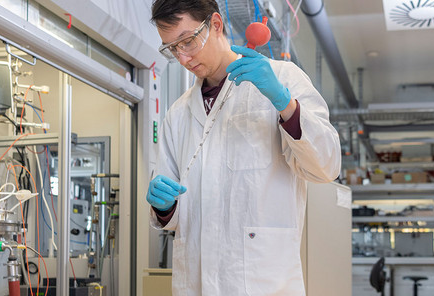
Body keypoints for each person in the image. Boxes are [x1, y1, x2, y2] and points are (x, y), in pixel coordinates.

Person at [146, 0, 341, 295]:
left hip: (264, 283)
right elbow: (177, 217)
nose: (183, 58)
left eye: (187, 41)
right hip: (196, 283)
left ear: (215, 24)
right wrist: (164, 207)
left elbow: (327, 166)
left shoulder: (283, 78)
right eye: (172, 48)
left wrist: (284, 103)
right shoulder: (177, 114)